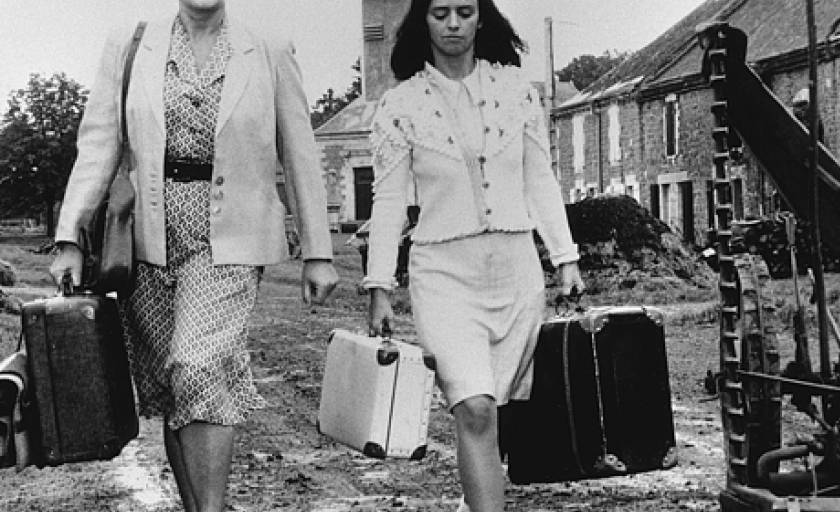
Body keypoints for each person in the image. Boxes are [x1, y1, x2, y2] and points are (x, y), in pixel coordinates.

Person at [48, 1, 339, 511]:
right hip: (146, 240)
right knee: (172, 385)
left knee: (197, 366)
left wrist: (318, 250)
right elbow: (99, 143)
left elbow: (298, 149)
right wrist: (70, 236)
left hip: (230, 239)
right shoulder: (132, 43)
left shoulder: (267, 47)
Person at [364, 1, 585, 511]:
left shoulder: (518, 91)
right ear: (423, 20)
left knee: (497, 410)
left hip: (515, 274)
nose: (453, 24)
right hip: (443, 276)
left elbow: (539, 178)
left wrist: (565, 257)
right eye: (440, 13)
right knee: (476, 409)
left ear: (481, 17)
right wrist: (379, 286)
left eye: (464, 11)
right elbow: (389, 200)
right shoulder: (400, 105)